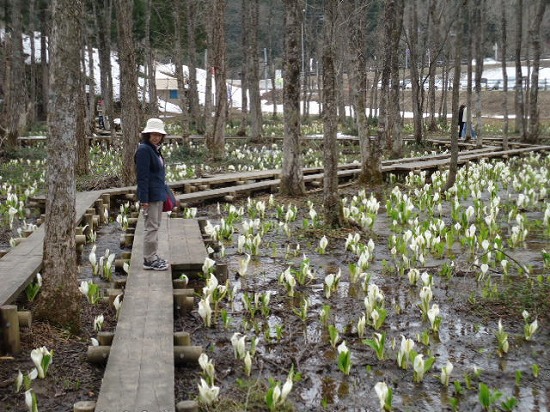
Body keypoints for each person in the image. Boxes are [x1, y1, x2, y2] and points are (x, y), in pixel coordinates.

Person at [135, 118, 170, 271]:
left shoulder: (155, 149)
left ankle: (153, 256)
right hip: (150, 197)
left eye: (159, 135)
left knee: (154, 227)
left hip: (158, 194)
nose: (156, 137)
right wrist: (144, 200)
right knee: (151, 228)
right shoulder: (144, 150)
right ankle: (149, 260)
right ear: (147, 134)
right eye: (153, 134)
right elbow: (142, 178)